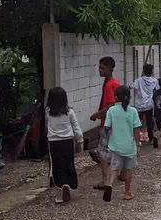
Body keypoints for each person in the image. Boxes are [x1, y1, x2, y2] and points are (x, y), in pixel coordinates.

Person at [103, 85, 142, 201]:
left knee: (114, 168)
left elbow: (106, 127)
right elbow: (137, 130)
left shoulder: (111, 110)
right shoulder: (133, 111)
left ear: (115, 98)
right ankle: (127, 192)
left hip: (115, 145)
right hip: (129, 146)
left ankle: (109, 185)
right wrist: (138, 143)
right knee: (128, 169)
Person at [46, 87, 83, 204]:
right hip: (67, 142)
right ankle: (68, 184)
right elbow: (76, 127)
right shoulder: (70, 112)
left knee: (56, 167)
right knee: (68, 164)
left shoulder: (48, 112)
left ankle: (59, 195)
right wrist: (80, 141)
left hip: (54, 143)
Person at [90, 56, 120, 191]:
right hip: (115, 122)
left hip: (108, 123)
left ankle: (105, 180)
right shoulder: (114, 82)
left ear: (111, 68)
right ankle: (117, 175)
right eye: (99, 67)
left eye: (103, 68)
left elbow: (110, 105)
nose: (100, 70)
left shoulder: (109, 85)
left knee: (102, 153)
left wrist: (97, 114)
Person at [133, 63, 158, 147]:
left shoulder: (138, 80)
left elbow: (132, 87)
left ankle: (137, 139)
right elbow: (155, 91)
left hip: (139, 105)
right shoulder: (154, 81)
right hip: (149, 105)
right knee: (149, 122)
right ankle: (150, 138)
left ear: (143, 71)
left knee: (137, 122)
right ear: (151, 72)